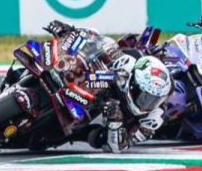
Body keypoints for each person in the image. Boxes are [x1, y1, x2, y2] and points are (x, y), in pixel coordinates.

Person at [44, 20, 172, 152]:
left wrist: (116, 120)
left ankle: (72, 133)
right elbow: (99, 42)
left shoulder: (153, 119)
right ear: (134, 84)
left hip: (109, 123)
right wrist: (70, 34)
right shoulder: (126, 63)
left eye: (154, 100)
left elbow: (121, 147)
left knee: (98, 138)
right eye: (145, 97)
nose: (147, 104)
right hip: (97, 89)